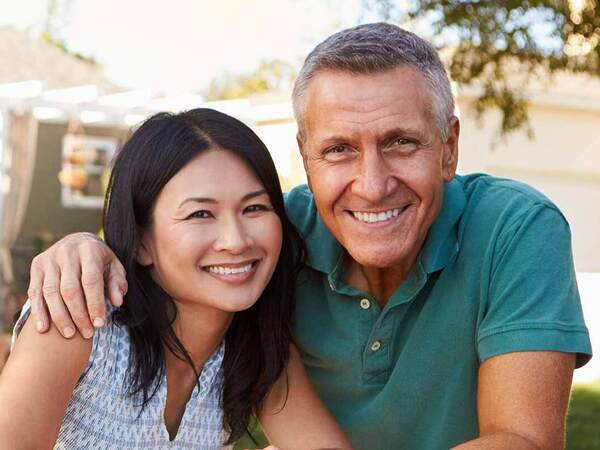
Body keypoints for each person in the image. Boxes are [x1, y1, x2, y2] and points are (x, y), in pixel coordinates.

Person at [21, 23, 592, 449]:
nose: (371, 185)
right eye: (340, 149)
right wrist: (82, 247)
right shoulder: (277, 238)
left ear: (449, 148)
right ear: (306, 159)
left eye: (401, 142)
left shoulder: (515, 229)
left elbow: (523, 440)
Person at [0, 108, 352, 449]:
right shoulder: (79, 319)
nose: (236, 240)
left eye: (254, 208)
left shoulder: (255, 350)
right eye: (200, 213)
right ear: (141, 242)